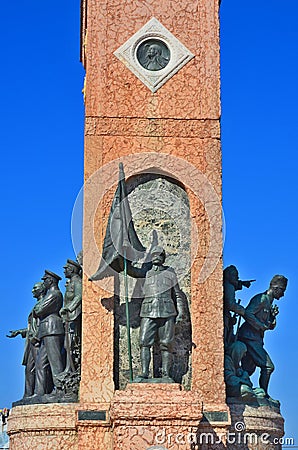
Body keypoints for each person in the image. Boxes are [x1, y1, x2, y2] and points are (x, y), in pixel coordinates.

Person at [127, 246, 184, 381]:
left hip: (167, 311)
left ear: (163, 257)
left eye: (159, 254)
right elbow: (132, 271)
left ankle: (166, 374)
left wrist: (181, 311)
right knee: (144, 342)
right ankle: (144, 372)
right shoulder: (146, 273)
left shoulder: (170, 273)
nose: (156, 256)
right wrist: (123, 260)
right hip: (148, 311)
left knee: (166, 343)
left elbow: (177, 294)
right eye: (154, 254)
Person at [238, 274, 288, 397]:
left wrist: (272, 317)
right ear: (276, 288)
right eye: (282, 291)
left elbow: (269, 326)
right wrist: (260, 325)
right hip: (249, 337)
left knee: (248, 369)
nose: (282, 295)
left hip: (256, 338)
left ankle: (243, 391)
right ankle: (264, 394)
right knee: (268, 367)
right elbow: (247, 313)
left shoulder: (269, 303)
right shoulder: (261, 299)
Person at [7, 282, 46, 397]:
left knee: (38, 367)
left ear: (42, 290)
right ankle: (27, 394)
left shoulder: (44, 304)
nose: (33, 290)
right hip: (30, 341)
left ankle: (38, 393)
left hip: (37, 341)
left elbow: (42, 325)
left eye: (35, 288)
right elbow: (33, 326)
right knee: (29, 369)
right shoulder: (37, 304)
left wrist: (37, 336)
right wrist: (20, 331)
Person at [33, 270, 65, 396]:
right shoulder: (49, 295)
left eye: (45, 280)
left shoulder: (55, 294)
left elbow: (39, 310)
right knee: (40, 364)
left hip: (53, 329)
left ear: (50, 281)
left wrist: (38, 308)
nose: (43, 282)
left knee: (55, 362)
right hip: (46, 331)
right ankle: (39, 393)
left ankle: (60, 389)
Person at [60, 259, 82, 372]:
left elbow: (79, 296)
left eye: (66, 269)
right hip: (68, 317)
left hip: (73, 316)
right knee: (67, 344)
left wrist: (68, 308)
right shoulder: (72, 282)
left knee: (71, 343)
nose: (64, 271)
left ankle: (71, 369)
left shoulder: (77, 282)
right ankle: (68, 368)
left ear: (72, 269)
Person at [223, 265, 254, 347]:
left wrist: (242, 283)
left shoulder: (227, 284)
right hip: (224, 317)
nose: (237, 278)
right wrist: (243, 311)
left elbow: (236, 283)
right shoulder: (229, 286)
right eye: (235, 276)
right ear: (229, 276)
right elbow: (231, 304)